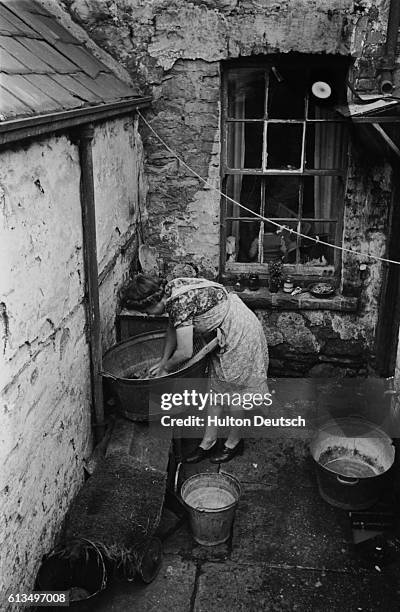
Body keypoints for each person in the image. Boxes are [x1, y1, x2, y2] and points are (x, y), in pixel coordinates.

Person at [121, 274, 269, 464]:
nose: (148, 315)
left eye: (147, 310)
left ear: (153, 300)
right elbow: (172, 328)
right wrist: (163, 360)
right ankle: (208, 441)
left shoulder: (178, 303)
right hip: (225, 329)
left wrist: (166, 369)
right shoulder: (170, 290)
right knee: (216, 390)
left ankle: (234, 442)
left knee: (234, 393)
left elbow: (184, 352)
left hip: (240, 333)